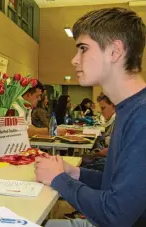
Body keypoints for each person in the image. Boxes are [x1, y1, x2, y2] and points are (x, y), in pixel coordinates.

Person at [35, 7, 146, 227]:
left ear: (115, 51)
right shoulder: (131, 109)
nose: (75, 60)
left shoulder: (142, 116)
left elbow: (116, 215)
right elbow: (115, 186)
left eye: (83, 49)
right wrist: (73, 172)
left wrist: (59, 180)